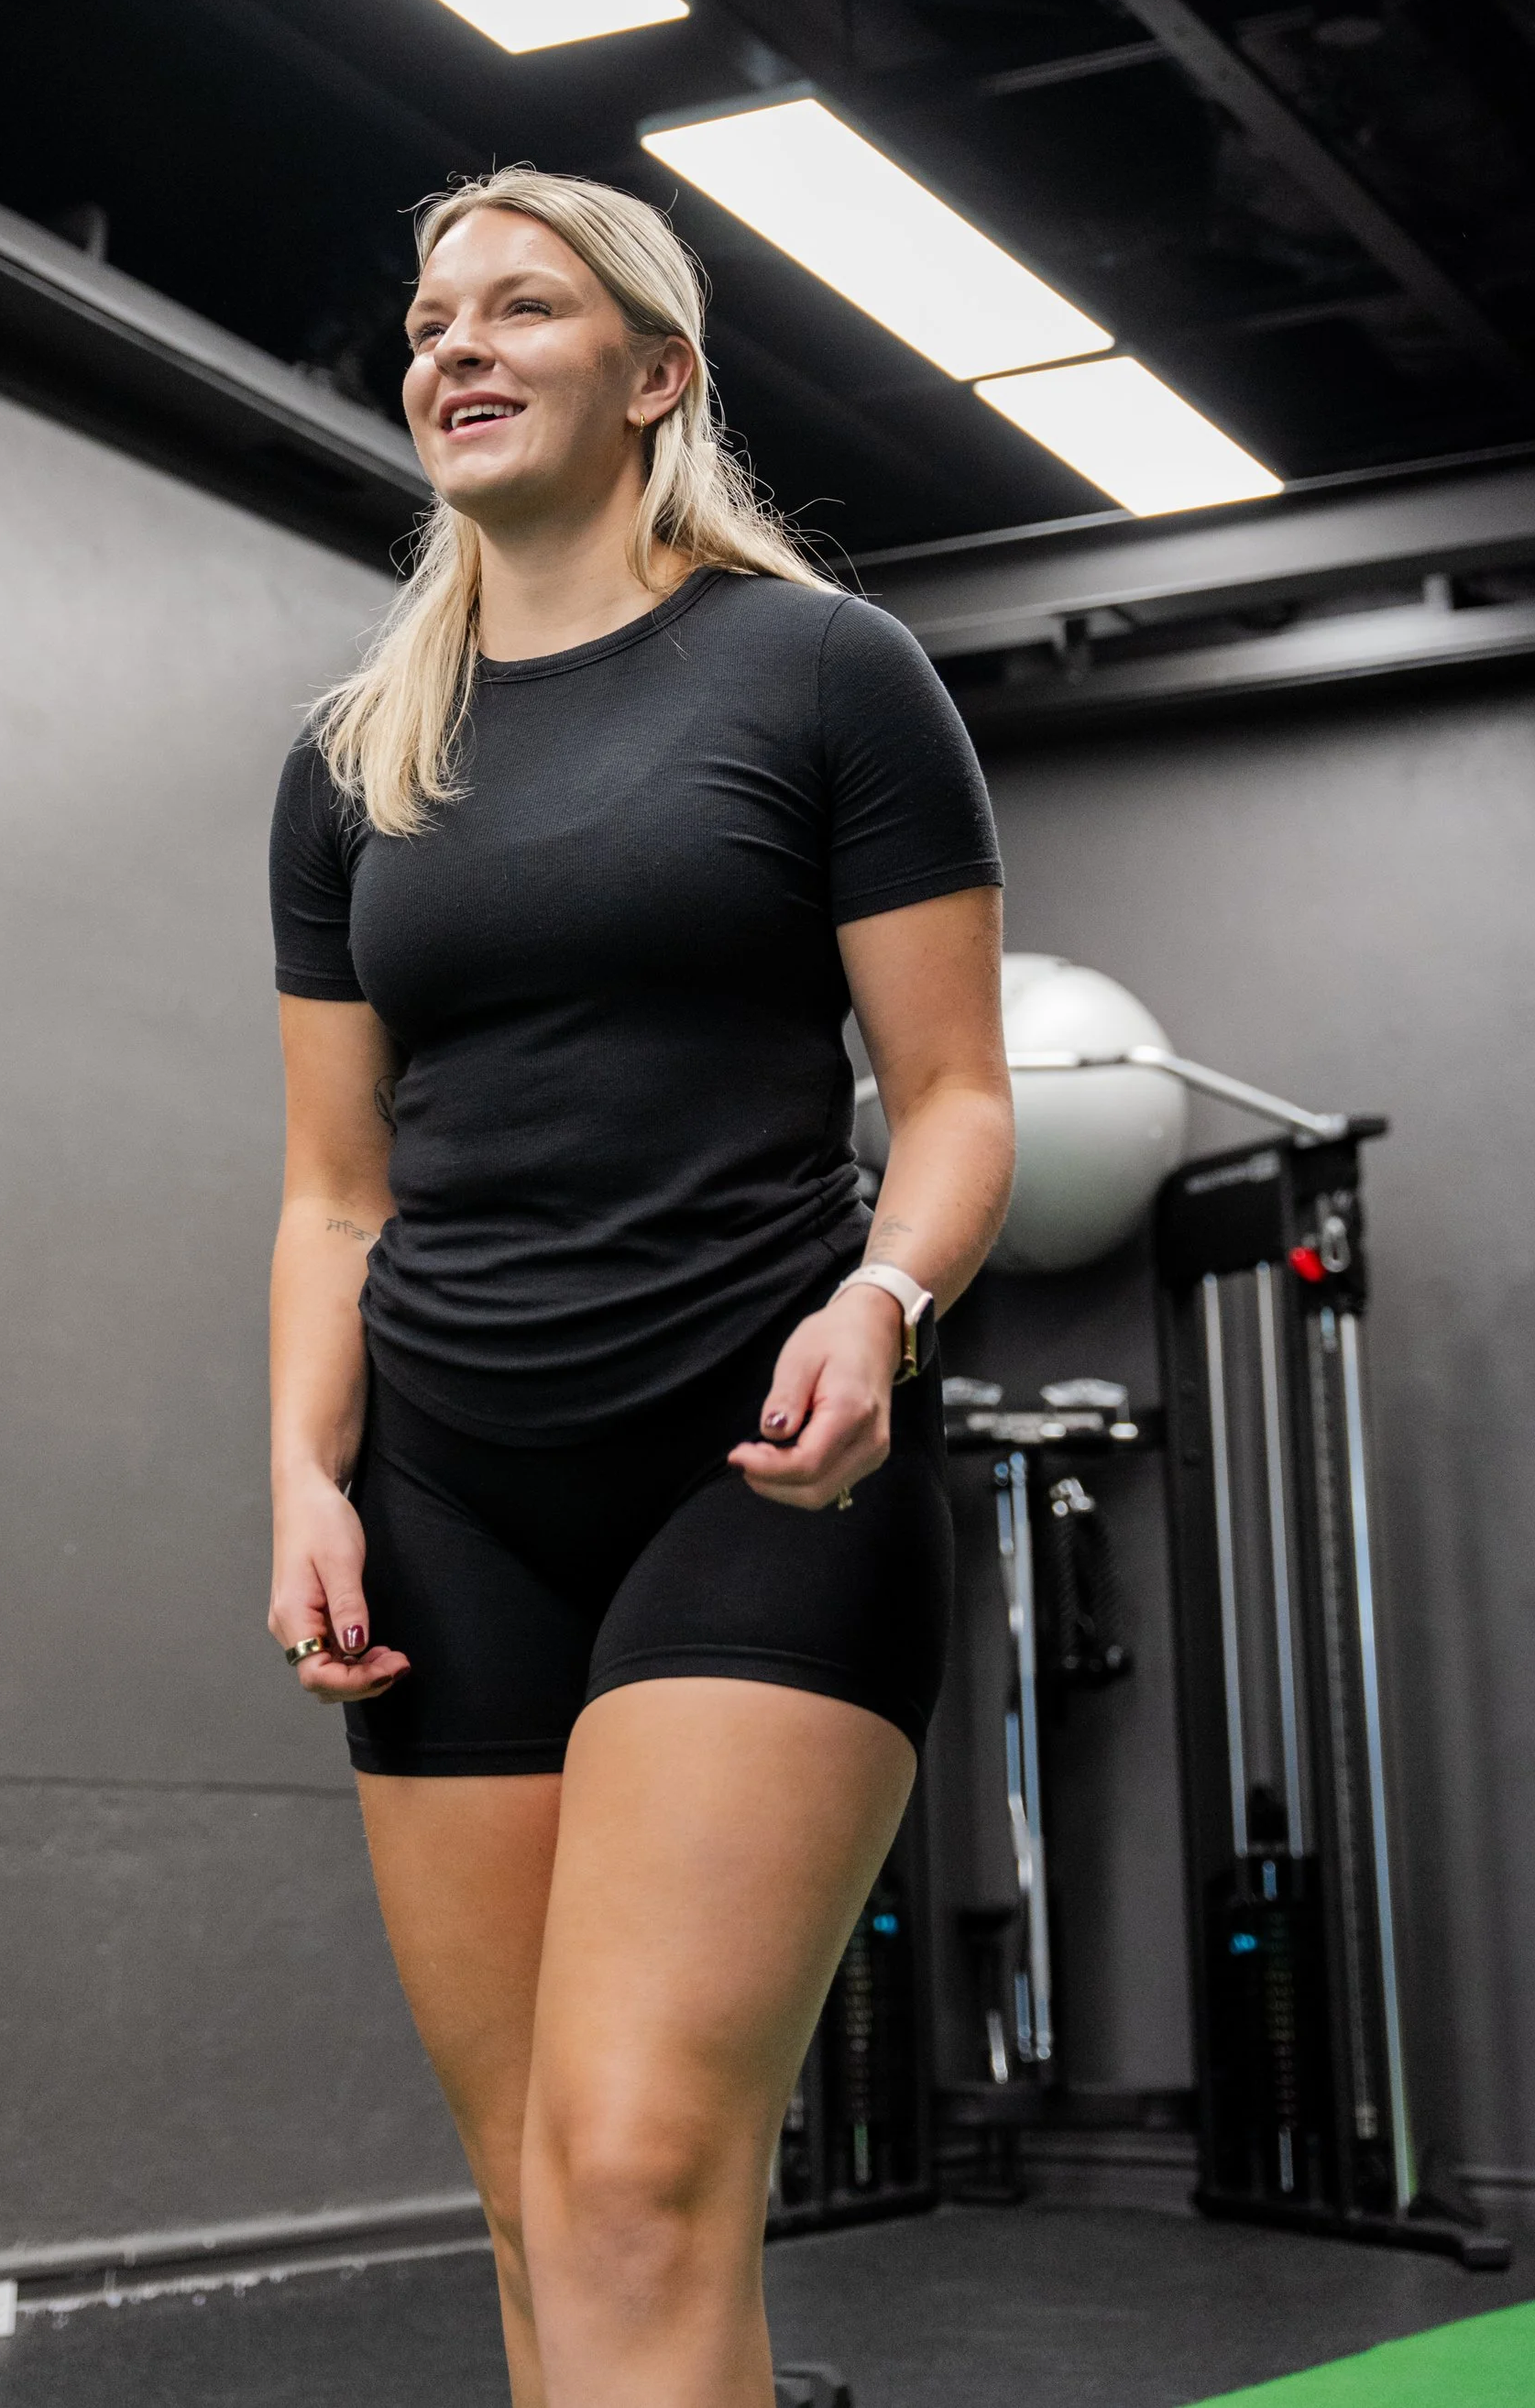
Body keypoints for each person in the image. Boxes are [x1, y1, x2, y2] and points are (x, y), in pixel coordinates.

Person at [265, 168, 1014, 2408]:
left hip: (753, 1473)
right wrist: (303, 1474)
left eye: (520, 309)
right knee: (530, 2200)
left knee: (631, 2177)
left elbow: (958, 1097)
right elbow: (329, 1194)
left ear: (655, 375)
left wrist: (878, 1302)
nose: (453, 348)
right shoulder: (352, 762)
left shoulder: (819, 674)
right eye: (425, 322)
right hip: (446, 1506)